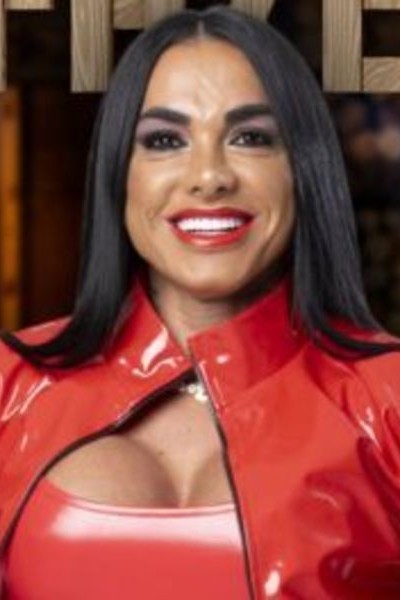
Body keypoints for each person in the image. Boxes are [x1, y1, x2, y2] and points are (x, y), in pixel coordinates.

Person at [0, 5, 400, 599]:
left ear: (304, 170)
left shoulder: (389, 397)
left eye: (251, 138)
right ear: (119, 173)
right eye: (165, 140)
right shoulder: (9, 384)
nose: (209, 176)